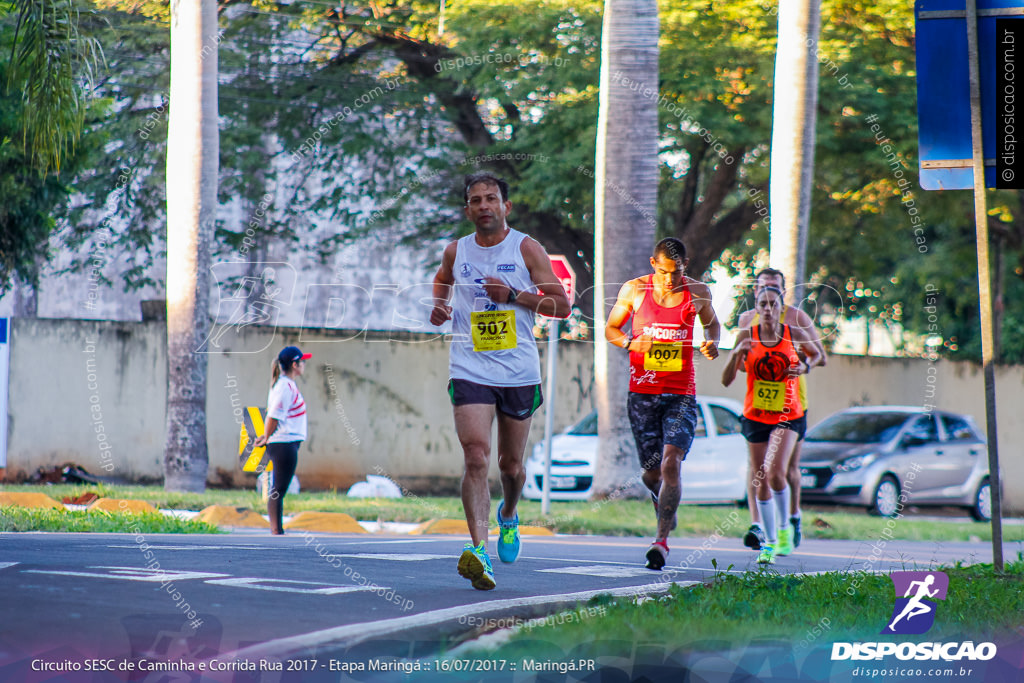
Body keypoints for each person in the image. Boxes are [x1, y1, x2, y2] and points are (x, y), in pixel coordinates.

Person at [430, 172, 570, 590]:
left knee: (511, 466)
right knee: (475, 455)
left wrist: (514, 296)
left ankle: (509, 514)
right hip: (470, 367)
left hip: (518, 371)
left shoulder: (526, 248)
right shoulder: (457, 250)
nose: (484, 206)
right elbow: (442, 279)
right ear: (468, 208)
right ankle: (479, 551)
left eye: (491, 198)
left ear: (506, 206)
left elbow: (561, 305)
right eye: (476, 200)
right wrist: (440, 305)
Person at [604, 237, 721, 571]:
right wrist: (629, 342)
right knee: (651, 474)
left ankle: (660, 542)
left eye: (677, 271)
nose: (671, 279)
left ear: (686, 265)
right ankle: (667, 506)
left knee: (671, 465)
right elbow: (611, 328)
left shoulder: (697, 292)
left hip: (680, 393)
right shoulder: (634, 290)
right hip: (642, 392)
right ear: (653, 264)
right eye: (665, 271)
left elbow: (712, 324)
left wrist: (712, 342)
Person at [722, 286, 822, 564]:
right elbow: (726, 380)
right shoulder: (747, 336)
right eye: (762, 304)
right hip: (755, 414)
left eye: (772, 304)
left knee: (776, 471)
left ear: (781, 307)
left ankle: (784, 529)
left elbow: (815, 356)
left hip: (787, 413)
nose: (767, 308)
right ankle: (769, 542)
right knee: (760, 477)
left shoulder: (793, 334)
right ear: (756, 308)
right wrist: (735, 354)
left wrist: (804, 367)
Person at [253, 345, 310, 535]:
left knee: (280, 487)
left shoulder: (287, 385)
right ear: (295, 364)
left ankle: (277, 529)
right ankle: (276, 530)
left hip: (287, 442)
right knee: (279, 488)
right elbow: (274, 416)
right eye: (301, 362)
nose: (304, 365)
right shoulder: (284, 387)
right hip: (284, 443)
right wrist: (266, 437)